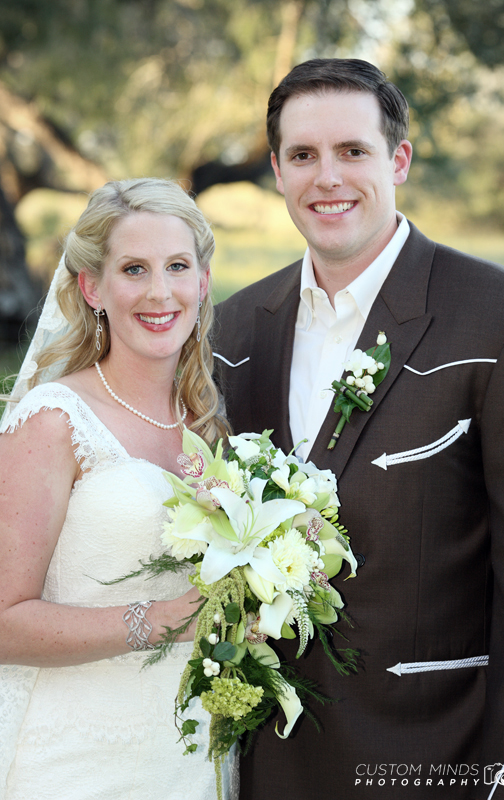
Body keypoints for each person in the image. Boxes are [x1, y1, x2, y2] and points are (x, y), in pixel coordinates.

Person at [213, 59, 504, 799]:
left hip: (436, 762)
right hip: (271, 767)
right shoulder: (231, 328)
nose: (326, 178)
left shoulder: (500, 318)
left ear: (398, 161)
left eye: (351, 152)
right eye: (302, 156)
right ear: (275, 171)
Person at [0, 178, 238, 800]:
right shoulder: (55, 419)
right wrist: (162, 620)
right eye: (134, 269)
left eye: (177, 266)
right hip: (79, 766)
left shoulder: (208, 426)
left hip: (192, 760)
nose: (160, 292)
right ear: (92, 288)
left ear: (203, 281)